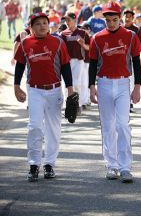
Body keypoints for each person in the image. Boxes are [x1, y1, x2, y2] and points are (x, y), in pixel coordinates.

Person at [13, 12, 73, 182]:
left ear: (49, 25)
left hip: (54, 90)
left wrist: (70, 90)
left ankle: (49, 164)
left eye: (44, 23)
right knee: (35, 127)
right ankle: (33, 164)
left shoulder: (57, 42)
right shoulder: (26, 43)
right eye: (37, 23)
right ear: (31, 28)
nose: (42, 26)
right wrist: (16, 86)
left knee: (53, 129)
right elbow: (20, 65)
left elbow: (66, 66)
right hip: (35, 91)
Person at [89, 0, 141, 183]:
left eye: (114, 19)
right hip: (103, 83)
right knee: (108, 126)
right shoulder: (97, 38)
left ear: (120, 18)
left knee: (122, 125)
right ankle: (111, 165)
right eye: (108, 20)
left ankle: (125, 167)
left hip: (122, 84)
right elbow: (93, 64)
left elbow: (136, 61)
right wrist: (91, 86)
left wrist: (137, 86)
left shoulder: (130, 36)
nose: (111, 23)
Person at [60, 12, 90, 112]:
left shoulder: (82, 33)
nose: (67, 22)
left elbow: (89, 47)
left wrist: (83, 45)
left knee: (77, 83)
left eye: (69, 20)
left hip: (78, 61)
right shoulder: (63, 34)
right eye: (65, 20)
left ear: (74, 20)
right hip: (66, 62)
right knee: (66, 83)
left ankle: (78, 104)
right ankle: (68, 103)